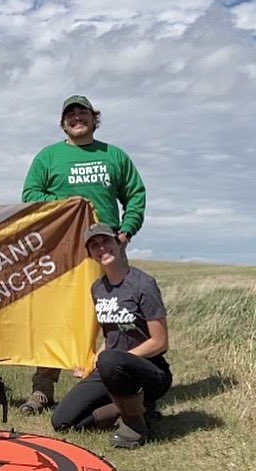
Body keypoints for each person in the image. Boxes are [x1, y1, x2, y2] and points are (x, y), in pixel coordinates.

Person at [19, 94, 147, 414]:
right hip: (62, 253)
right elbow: (31, 195)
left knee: (114, 317)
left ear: (94, 118)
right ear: (63, 123)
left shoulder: (113, 156)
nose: (77, 118)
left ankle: (112, 387)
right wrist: (69, 203)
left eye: (83, 113)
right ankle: (42, 390)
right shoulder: (48, 157)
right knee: (56, 318)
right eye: (70, 114)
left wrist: (125, 231)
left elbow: (135, 195)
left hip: (106, 251)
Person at [50, 222, 171, 449]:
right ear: (91, 254)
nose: (101, 248)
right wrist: (99, 357)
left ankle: (135, 427)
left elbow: (160, 341)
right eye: (94, 245)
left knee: (110, 359)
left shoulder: (143, 284)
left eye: (106, 241)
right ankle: (136, 407)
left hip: (150, 371)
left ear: (118, 242)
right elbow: (113, 333)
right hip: (112, 367)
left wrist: (116, 360)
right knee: (63, 422)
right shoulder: (98, 288)